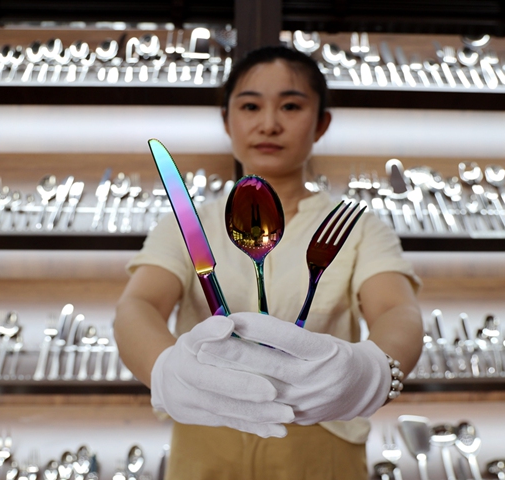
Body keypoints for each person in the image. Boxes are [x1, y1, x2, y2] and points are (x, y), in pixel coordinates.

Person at [115, 45, 424, 479]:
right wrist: (164, 369)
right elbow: (138, 305)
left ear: (321, 124)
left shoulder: (359, 227)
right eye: (250, 106)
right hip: (204, 439)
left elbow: (397, 310)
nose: (269, 123)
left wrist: (375, 370)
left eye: (291, 105)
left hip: (322, 447)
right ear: (227, 120)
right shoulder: (190, 224)